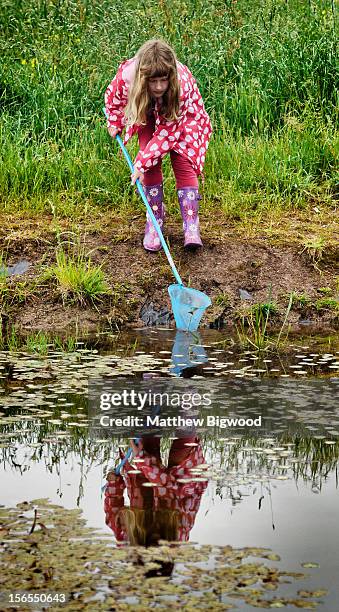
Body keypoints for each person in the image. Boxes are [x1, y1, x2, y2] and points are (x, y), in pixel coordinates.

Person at [104, 39, 212, 251]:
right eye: (153, 81)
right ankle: (155, 220)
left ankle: (191, 224)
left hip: (181, 116)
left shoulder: (181, 85)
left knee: (183, 159)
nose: (159, 86)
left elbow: (166, 136)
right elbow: (113, 100)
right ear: (142, 77)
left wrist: (139, 164)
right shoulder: (127, 77)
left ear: (170, 76)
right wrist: (115, 121)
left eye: (163, 80)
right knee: (148, 156)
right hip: (145, 108)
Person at [104, 435, 208, 546]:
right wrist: (143, 460)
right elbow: (174, 487)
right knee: (183, 447)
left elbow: (113, 511)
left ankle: (151, 424)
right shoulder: (178, 534)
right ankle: (186, 423)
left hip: (144, 489)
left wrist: (114, 484)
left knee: (147, 442)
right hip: (181, 485)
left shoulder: (127, 540)